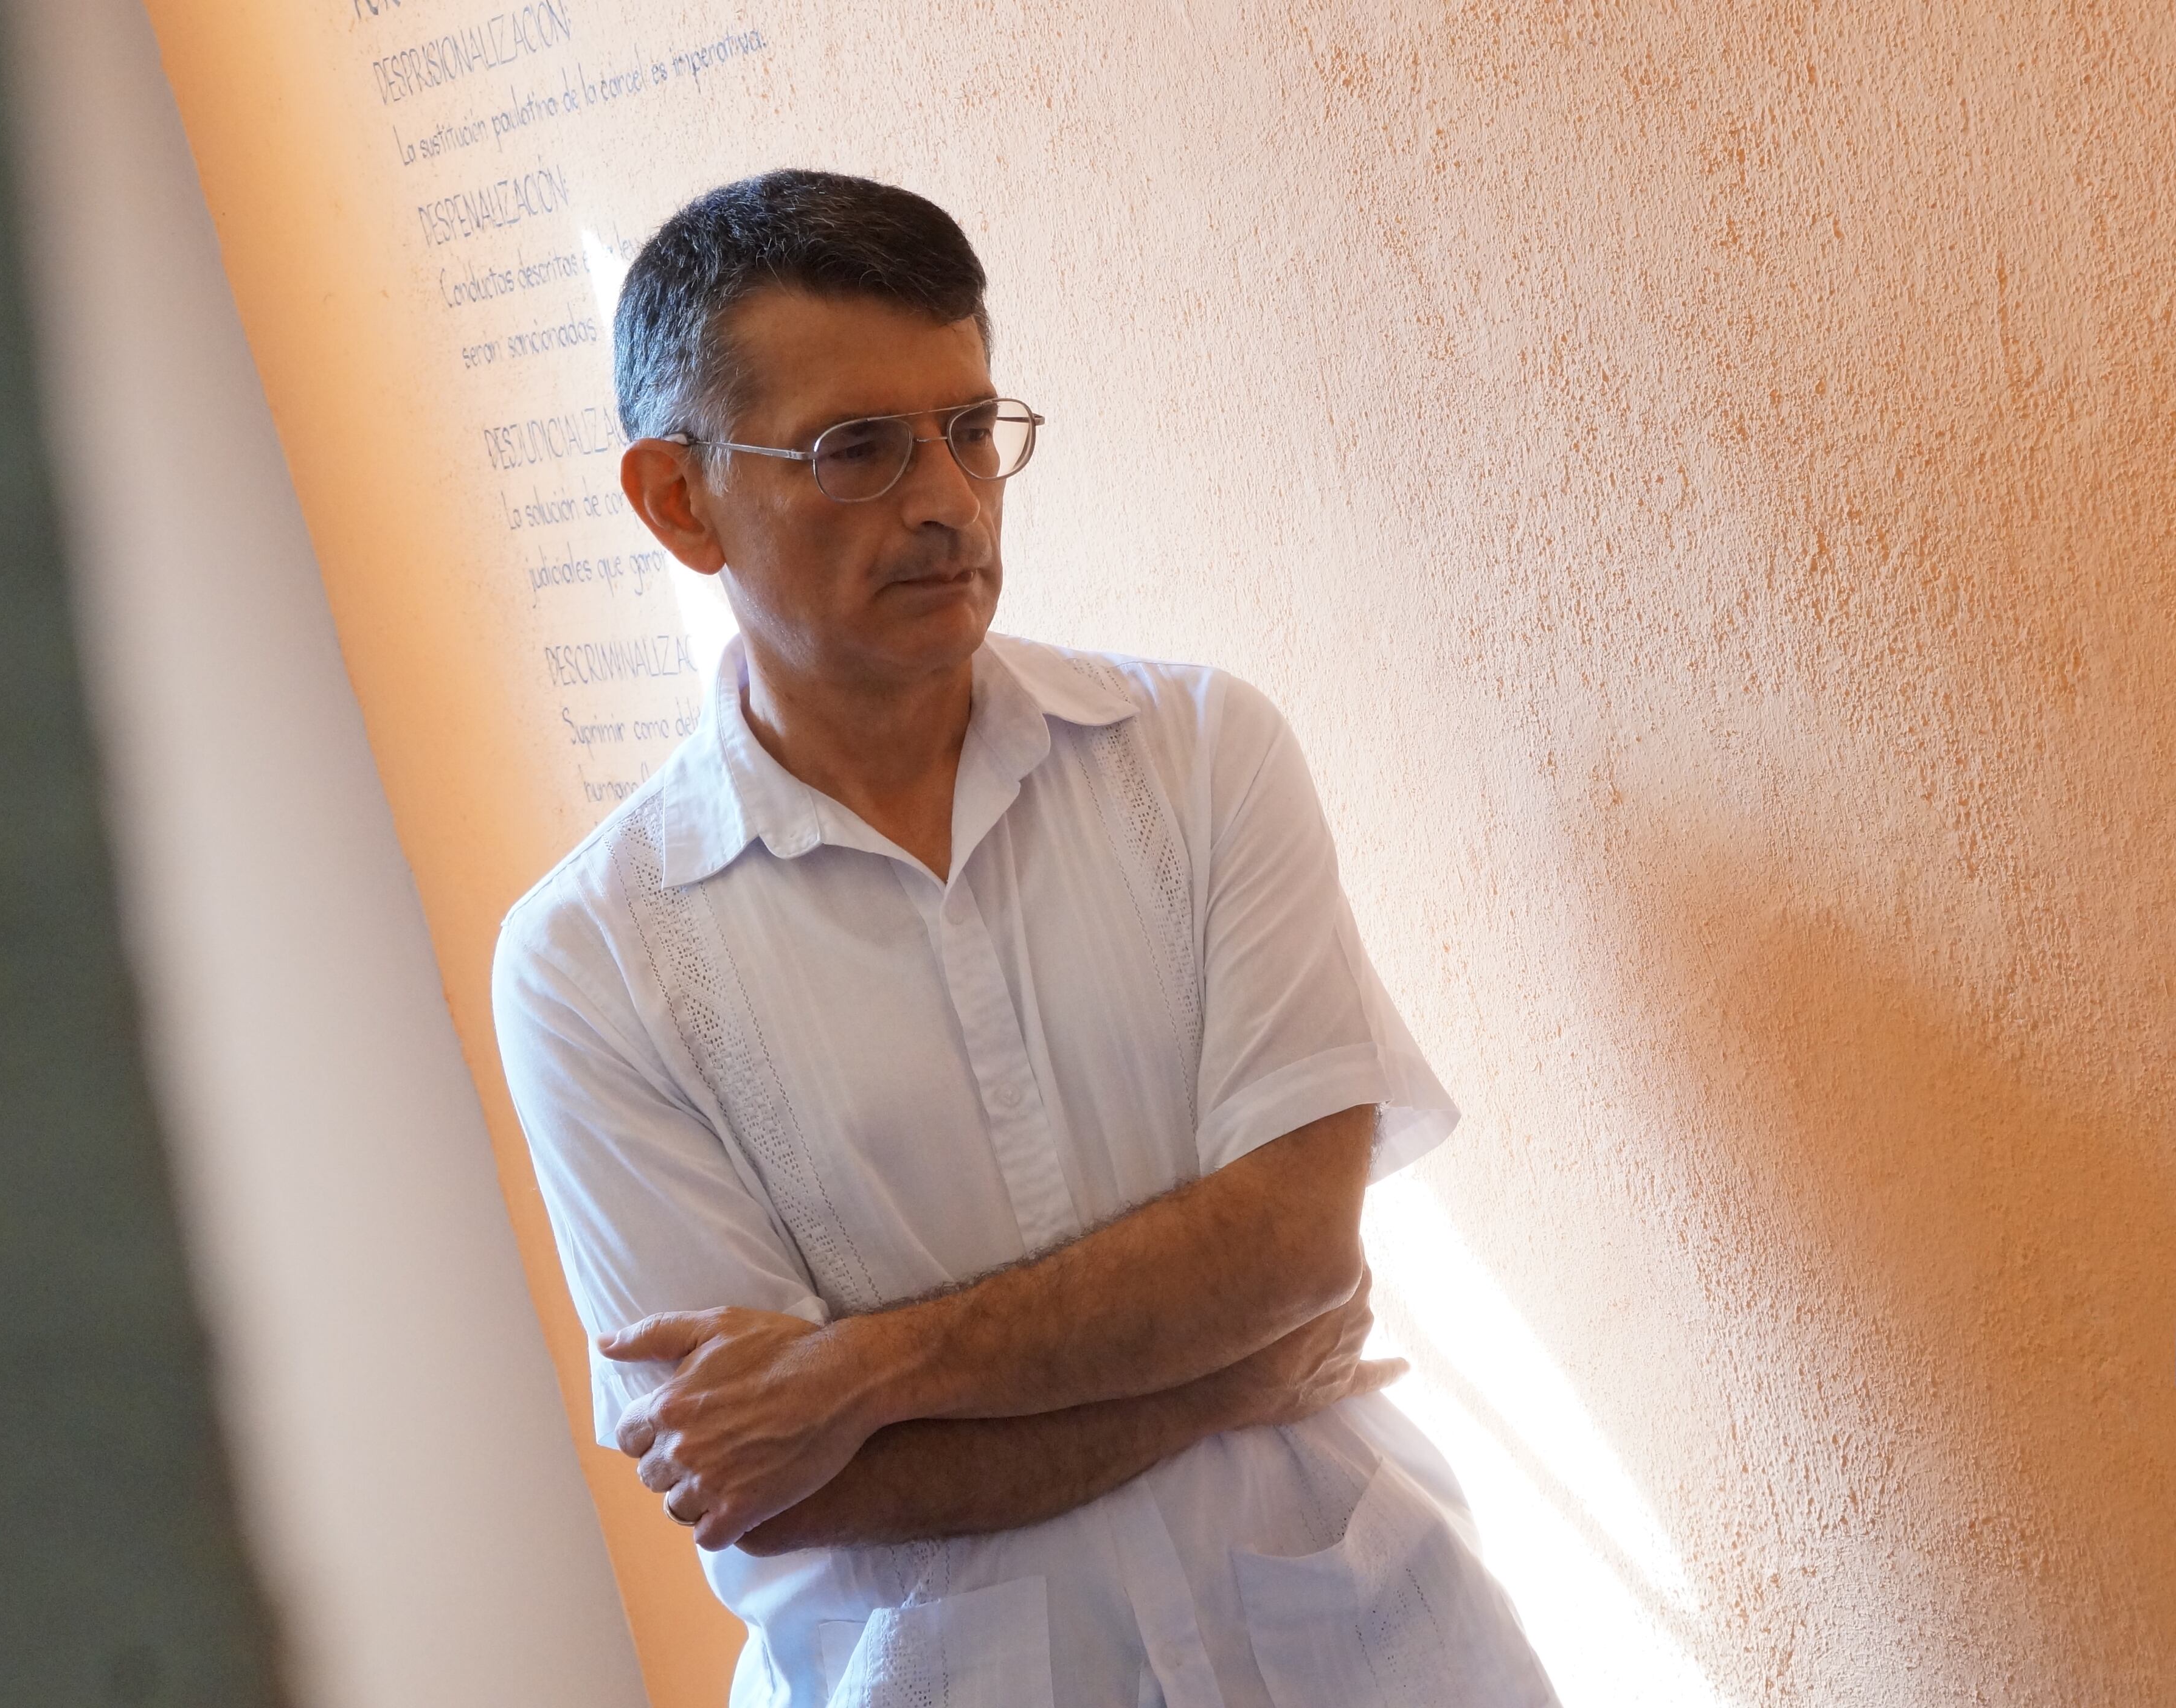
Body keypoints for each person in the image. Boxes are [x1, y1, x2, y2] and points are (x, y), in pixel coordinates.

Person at [493, 170, 1554, 1708]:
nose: (946, 501)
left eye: (972, 429)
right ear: (677, 500)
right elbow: (780, 1486)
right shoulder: (590, 962)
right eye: (859, 449)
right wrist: (1219, 1387)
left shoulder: (1202, 755)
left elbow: (1290, 1252)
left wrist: (857, 1374)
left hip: (1375, 1658)